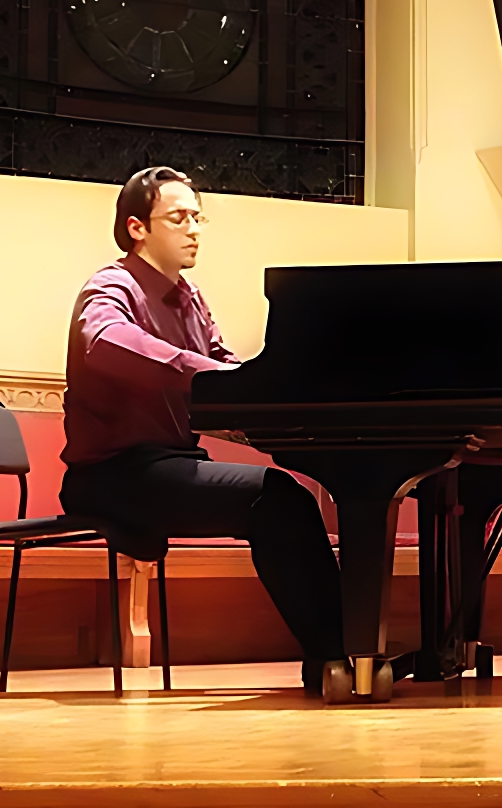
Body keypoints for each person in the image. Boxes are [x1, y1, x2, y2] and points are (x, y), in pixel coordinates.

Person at [59, 166, 344, 694]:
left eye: (197, 217)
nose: (193, 229)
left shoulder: (189, 298)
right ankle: (336, 655)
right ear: (137, 227)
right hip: (112, 475)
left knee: (285, 497)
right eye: (178, 218)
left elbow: (223, 370)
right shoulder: (111, 286)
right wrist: (211, 373)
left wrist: (289, 402)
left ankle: (342, 651)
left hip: (167, 467)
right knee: (277, 499)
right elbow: (106, 342)